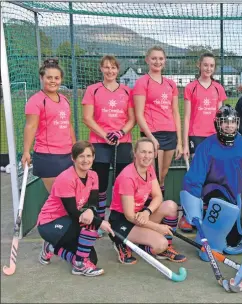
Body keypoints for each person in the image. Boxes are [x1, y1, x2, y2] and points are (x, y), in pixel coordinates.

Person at [181, 105, 242, 261]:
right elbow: (194, 178)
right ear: (218, 123)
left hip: (238, 199)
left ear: (237, 124)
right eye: (225, 122)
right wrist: (193, 211)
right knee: (219, 201)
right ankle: (209, 239)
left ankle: (233, 237)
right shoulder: (206, 146)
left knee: (232, 241)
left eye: (232, 122)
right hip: (215, 196)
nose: (229, 126)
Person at [36, 141, 114, 277]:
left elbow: (94, 201)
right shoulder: (66, 178)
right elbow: (73, 212)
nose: (86, 160)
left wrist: (91, 210)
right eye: (81, 156)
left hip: (68, 222)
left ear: (94, 157)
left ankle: (50, 247)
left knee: (92, 259)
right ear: (73, 158)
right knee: (91, 224)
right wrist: (100, 222)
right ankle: (79, 264)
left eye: (89, 156)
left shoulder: (93, 175)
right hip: (50, 223)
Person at [82, 55, 135, 238]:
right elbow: (87, 118)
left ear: (118, 70)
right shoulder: (92, 90)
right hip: (100, 143)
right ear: (101, 69)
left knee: (122, 183)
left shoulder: (127, 91)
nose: (110, 71)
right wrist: (106, 135)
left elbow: (132, 119)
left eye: (113, 68)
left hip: (123, 143)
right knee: (101, 183)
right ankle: (100, 218)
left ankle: (118, 219)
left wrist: (120, 133)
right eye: (106, 67)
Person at [108, 137, 186, 263]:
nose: (147, 156)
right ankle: (120, 241)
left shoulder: (149, 169)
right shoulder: (127, 177)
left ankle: (160, 247)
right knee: (161, 243)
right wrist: (157, 227)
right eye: (143, 152)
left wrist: (147, 212)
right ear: (135, 153)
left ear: (154, 153)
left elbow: (158, 196)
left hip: (140, 216)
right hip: (122, 222)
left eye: (150, 152)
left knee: (171, 206)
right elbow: (129, 215)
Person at [179, 53, 227, 232]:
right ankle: (188, 215)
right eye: (205, 65)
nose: (208, 69)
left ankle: (206, 214)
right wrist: (185, 143)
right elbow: (186, 118)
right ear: (199, 65)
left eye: (211, 66)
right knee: (195, 177)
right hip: (195, 136)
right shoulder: (191, 87)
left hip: (213, 138)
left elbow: (220, 117)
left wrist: (222, 139)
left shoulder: (218, 88)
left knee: (212, 177)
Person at [133, 46, 183, 197]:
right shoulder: (142, 82)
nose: (157, 61)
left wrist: (179, 141)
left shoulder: (171, 84)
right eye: (154, 58)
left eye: (160, 59)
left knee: (163, 174)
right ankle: (150, 208)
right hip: (153, 134)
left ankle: (159, 205)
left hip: (170, 133)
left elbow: (175, 112)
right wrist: (151, 138)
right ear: (147, 60)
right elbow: (139, 114)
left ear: (165, 61)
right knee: (152, 175)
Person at [22, 59, 76, 193]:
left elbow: (68, 125)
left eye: (56, 78)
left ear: (61, 79)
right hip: (48, 156)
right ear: (42, 78)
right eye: (49, 77)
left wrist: (75, 148)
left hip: (68, 154)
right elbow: (30, 127)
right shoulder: (35, 101)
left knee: (69, 195)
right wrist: (26, 152)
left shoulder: (64, 100)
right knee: (58, 197)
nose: (53, 81)